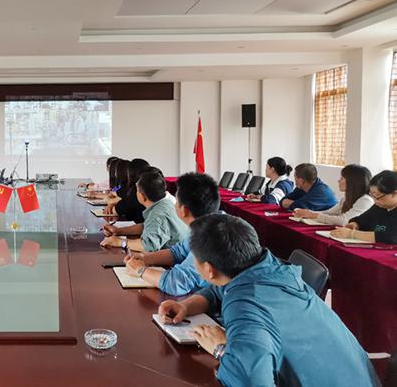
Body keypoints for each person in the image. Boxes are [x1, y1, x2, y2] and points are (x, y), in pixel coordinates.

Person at [158, 214, 379, 387]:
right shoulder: (271, 270)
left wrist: (221, 349)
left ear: (208, 269)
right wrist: (186, 305)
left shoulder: (245, 305)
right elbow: (218, 289)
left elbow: (250, 381)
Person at [125, 172, 218, 295]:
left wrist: (140, 270)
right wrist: (144, 258)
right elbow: (177, 252)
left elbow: (177, 283)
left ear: (183, 210)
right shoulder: (206, 224)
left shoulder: (210, 238)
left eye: (176, 202)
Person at [101, 171, 186, 252]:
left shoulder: (158, 215)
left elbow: (148, 246)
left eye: (137, 190)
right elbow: (147, 226)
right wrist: (119, 231)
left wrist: (120, 242)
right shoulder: (164, 203)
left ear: (142, 195)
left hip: (175, 259)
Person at [294, 164, 373, 226]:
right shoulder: (345, 199)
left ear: (352, 182)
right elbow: (328, 212)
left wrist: (314, 215)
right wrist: (307, 212)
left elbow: (345, 221)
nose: (338, 181)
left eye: (342, 178)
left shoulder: (365, 200)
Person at [332, 170, 397, 244]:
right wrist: (354, 224)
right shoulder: (379, 206)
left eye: (378, 196)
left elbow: (390, 237)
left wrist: (352, 234)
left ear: (395, 194)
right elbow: (362, 219)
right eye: (372, 195)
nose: (375, 201)